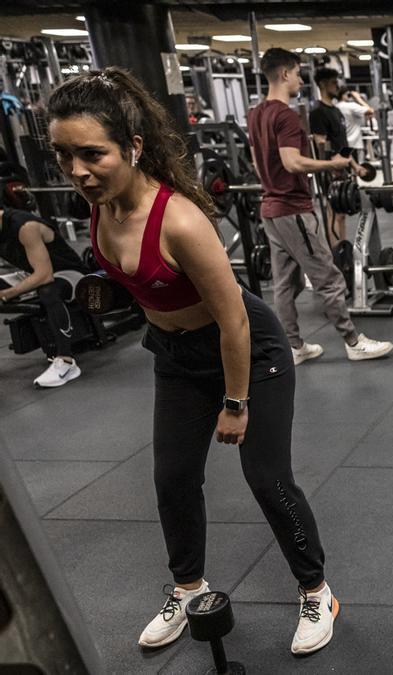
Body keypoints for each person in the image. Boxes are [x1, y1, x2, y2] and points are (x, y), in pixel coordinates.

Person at [46, 67, 338, 655]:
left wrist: (235, 403)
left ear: (132, 147)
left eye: (91, 154)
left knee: (267, 477)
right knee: (173, 478)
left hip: (249, 352)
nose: (76, 171)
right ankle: (187, 587)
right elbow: (138, 278)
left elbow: (233, 321)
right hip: (175, 355)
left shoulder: (179, 219)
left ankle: (316, 589)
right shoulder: (99, 207)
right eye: (63, 155)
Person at [246, 48, 392, 365]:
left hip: (270, 209)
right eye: (297, 73)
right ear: (284, 74)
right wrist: (333, 163)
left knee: (287, 283)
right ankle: (353, 341)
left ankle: (294, 346)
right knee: (329, 278)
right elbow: (292, 161)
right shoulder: (284, 115)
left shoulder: (256, 113)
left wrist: (273, 183)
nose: (300, 79)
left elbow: (259, 163)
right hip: (292, 209)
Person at [0, 205, 91, 387]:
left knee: (48, 290)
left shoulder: (25, 226)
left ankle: (66, 362)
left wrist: (6, 294)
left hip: (70, 274)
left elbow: (44, 275)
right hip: (32, 273)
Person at [308, 67, 358, 244]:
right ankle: (336, 253)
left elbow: (342, 144)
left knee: (342, 213)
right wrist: (330, 167)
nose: (337, 86)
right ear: (322, 84)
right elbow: (320, 143)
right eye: (333, 82)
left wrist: (355, 166)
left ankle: (343, 248)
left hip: (342, 167)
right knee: (333, 212)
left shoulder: (336, 111)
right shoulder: (317, 113)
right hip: (330, 170)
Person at [335, 87, 374, 164]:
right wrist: (358, 98)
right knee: (358, 169)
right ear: (344, 95)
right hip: (354, 144)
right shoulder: (351, 106)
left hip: (341, 144)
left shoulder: (335, 107)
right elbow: (370, 111)